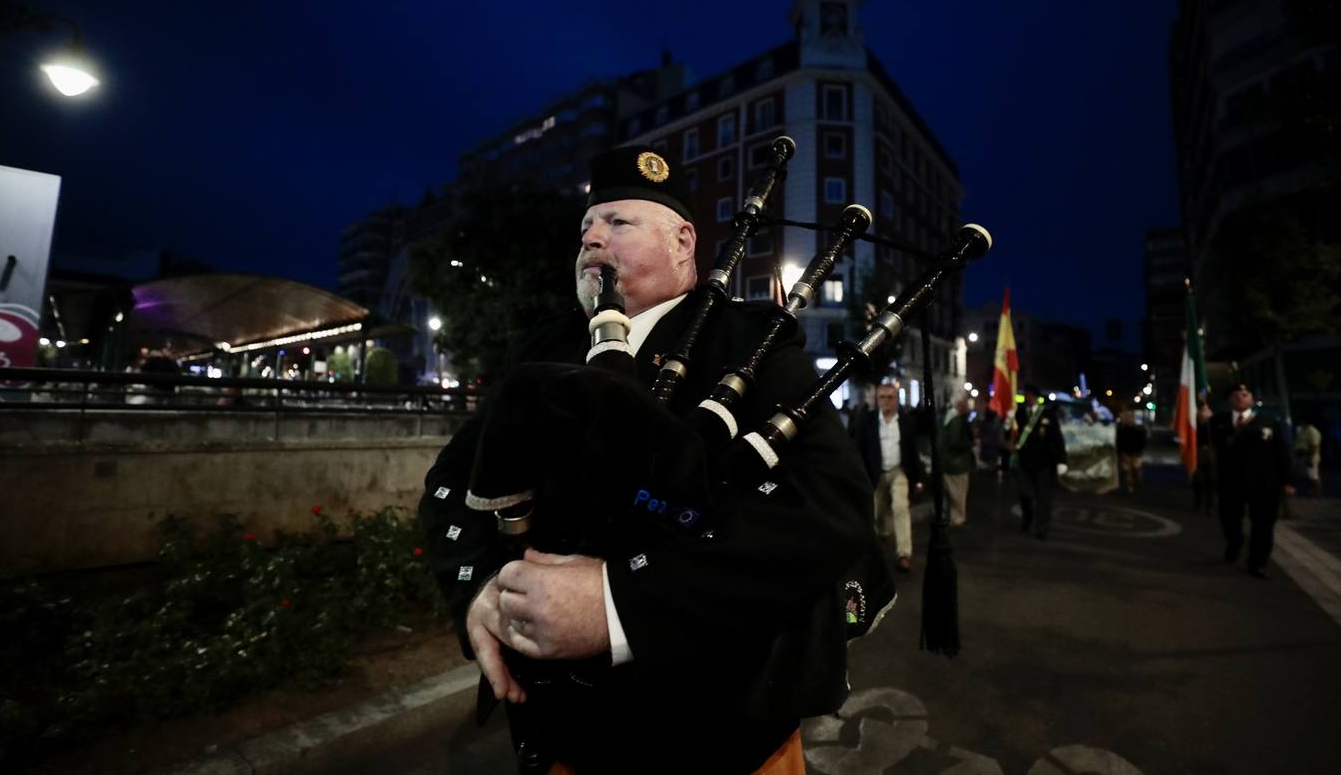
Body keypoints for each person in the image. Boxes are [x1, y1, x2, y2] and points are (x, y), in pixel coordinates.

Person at [417, 145, 871, 774]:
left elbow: (828, 510)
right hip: (556, 735)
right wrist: (479, 590)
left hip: (720, 738)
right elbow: (452, 480)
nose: (591, 239)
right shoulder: (548, 345)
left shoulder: (750, 342)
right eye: (585, 227)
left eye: (617, 223)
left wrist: (617, 603)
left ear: (684, 242)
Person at [1211, 382, 1292, 578]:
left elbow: (1282, 453)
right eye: (1236, 395)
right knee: (1229, 520)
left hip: (1265, 484)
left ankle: (1258, 563)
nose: (1241, 397)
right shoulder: (1218, 422)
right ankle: (1234, 542)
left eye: (1245, 394)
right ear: (1230, 400)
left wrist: (1288, 481)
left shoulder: (1269, 423)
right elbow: (1206, 443)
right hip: (1231, 482)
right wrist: (1201, 420)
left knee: (1263, 525)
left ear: (1252, 399)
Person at [854, 378, 925, 572]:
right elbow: (858, 449)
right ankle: (883, 533)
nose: (886, 401)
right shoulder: (867, 421)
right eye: (882, 397)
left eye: (890, 397)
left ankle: (904, 554)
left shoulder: (906, 421)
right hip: (875, 473)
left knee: (901, 508)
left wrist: (918, 479)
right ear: (877, 399)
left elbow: (912, 451)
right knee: (876, 512)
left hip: (899, 471)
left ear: (896, 399)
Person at [1013, 384, 1068, 540]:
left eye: (1029, 395)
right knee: (1024, 493)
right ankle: (1028, 518)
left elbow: (1057, 438)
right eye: (1025, 395)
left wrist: (1061, 460)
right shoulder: (1020, 413)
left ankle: (1042, 528)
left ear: (1036, 397)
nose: (1027, 398)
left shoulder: (1048, 414)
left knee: (1043, 497)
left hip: (1043, 462)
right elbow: (1015, 435)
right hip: (1025, 461)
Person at [938, 390, 975, 526]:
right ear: (961, 404)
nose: (968, 404)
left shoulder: (946, 416)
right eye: (966, 402)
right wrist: (971, 442)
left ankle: (948, 518)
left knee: (949, 495)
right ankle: (957, 519)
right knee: (958, 494)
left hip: (947, 462)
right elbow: (956, 442)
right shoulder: (958, 420)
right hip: (957, 463)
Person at [1115, 409, 1149, 495]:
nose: (1128, 419)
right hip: (1126, 453)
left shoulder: (1139, 429)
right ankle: (1130, 489)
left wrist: (1139, 451)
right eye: (1126, 417)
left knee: (1136, 469)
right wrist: (1121, 453)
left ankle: (1137, 480)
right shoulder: (1121, 430)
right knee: (1127, 472)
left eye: (1130, 417)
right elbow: (1118, 442)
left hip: (1136, 453)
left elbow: (1143, 441)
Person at [1294, 416, 1323, 499]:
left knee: (1314, 476)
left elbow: (1314, 446)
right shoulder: (1304, 430)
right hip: (1304, 456)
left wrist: (1310, 458)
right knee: (1309, 476)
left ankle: (1317, 494)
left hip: (1310, 457)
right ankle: (1312, 492)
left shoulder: (1312, 431)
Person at [977, 408, 1006, 482]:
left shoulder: (984, 423)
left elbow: (980, 434)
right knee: (992, 467)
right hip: (993, 448)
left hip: (987, 447)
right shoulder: (997, 423)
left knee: (988, 467)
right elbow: (999, 436)